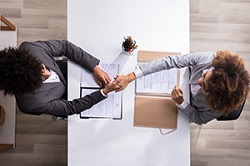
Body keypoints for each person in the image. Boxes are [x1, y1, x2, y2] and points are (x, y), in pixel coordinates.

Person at [115, 50, 250, 124]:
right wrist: (129, 77)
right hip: (178, 79)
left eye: (204, 86)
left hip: (182, 108)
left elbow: (199, 118)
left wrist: (182, 103)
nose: (199, 81)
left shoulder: (220, 106)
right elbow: (171, 61)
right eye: (205, 74)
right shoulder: (209, 59)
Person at [0, 40, 121, 116]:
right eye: (42, 79)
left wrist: (94, 67)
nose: (48, 74)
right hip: (72, 97)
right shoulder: (31, 103)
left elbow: (65, 46)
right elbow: (70, 107)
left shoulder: (31, 48)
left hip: (74, 71)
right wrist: (104, 92)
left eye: (42, 68)